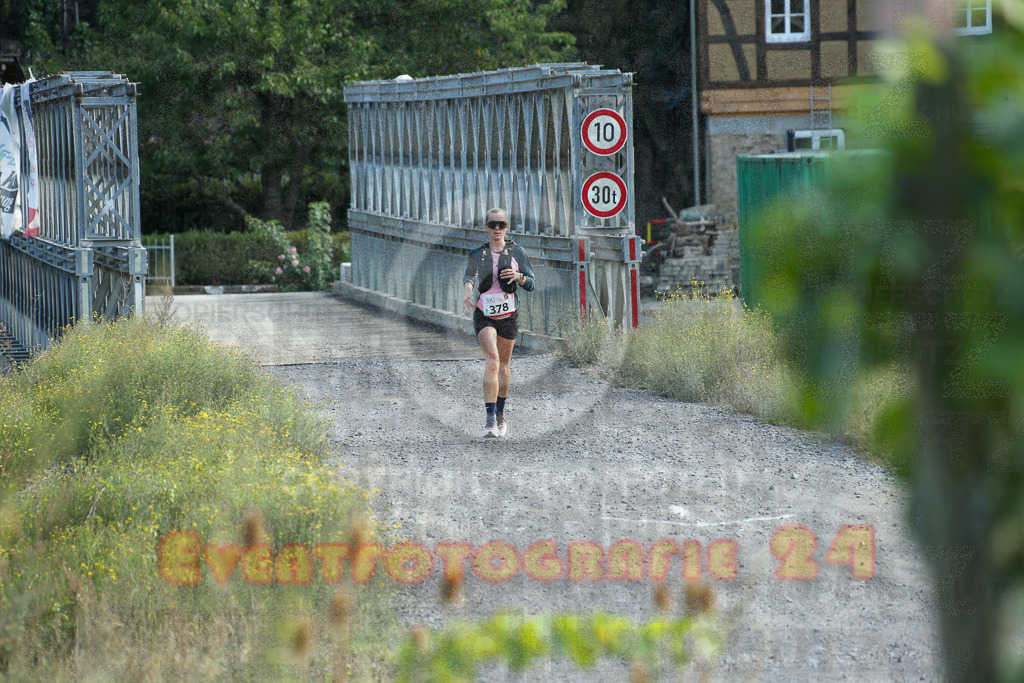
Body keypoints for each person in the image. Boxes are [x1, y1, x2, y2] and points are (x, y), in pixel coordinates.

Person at [462, 208, 536, 437]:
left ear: (507, 227)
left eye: (501, 224)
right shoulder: (477, 253)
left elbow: (531, 283)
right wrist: (468, 289)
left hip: (509, 315)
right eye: (492, 224)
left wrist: (519, 277)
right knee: (492, 360)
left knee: (504, 364)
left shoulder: (518, 252)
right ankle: (489, 418)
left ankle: (501, 414)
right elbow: (469, 275)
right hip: (484, 313)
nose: (496, 229)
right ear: (485, 227)